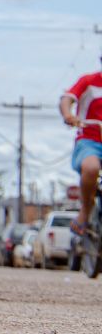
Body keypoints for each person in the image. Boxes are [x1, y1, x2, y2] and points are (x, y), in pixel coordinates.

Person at [59, 61, 102, 236]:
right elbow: (67, 98)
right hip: (89, 140)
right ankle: (85, 210)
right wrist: (68, 114)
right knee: (91, 168)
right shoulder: (89, 82)